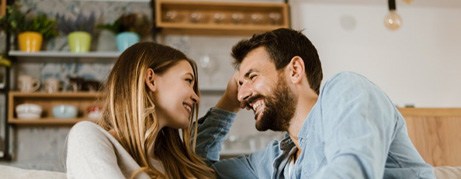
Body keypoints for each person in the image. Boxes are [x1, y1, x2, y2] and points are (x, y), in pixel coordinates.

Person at [195, 28, 435, 178]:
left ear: (295, 70)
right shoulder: (271, 161)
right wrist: (227, 103)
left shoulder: (346, 91)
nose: (241, 95)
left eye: (252, 77)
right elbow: (193, 169)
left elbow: (351, 169)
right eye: (239, 84)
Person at [66, 42, 215, 179]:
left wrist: (229, 103)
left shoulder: (173, 166)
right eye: (188, 80)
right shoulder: (88, 136)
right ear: (151, 80)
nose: (196, 97)